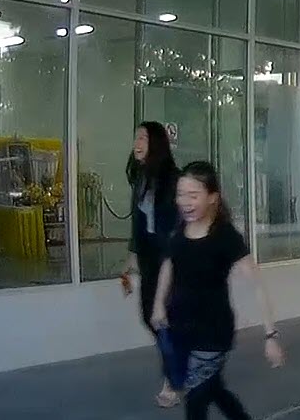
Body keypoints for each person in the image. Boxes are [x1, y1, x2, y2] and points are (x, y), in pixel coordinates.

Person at [151, 161, 285, 420]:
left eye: (193, 195)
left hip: (212, 332)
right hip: (180, 327)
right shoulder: (180, 230)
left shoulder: (225, 237)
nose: (184, 202)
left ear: (212, 197)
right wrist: (158, 304)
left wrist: (270, 335)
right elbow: (169, 264)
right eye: (180, 194)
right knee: (213, 389)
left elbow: (256, 285)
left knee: (196, 402)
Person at [122, 121, 181, 407]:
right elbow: (139, 223)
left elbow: (177, 224)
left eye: (143, 138)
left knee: (161, 317)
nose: (137, 143)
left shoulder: (172, 179)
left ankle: (172, 379)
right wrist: (132, 256)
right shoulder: (141, 178)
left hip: (169, 258)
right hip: (149, 257)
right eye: (136, 137)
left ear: (156, 143)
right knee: (150, 316)